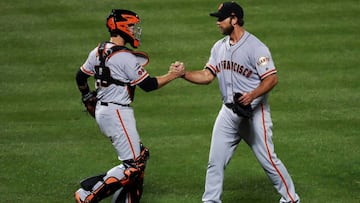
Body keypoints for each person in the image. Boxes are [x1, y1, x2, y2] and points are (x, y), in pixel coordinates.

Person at [172, 2, 300, 203]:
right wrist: (183, 74)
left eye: (221, 18)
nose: (217, 23)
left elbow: (272, 78)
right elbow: (207, 75)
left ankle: (291, 199)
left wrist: (252, 95)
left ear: (234, 19)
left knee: (268, 160)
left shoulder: (256, 47)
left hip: (254, 113)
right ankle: (210, 201)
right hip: (228, 113)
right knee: (215, 162)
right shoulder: (218, 47)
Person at [74, 9, 184, 203]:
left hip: (104, 110)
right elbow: (148, 85)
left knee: (140, 156)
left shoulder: (98, 50)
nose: (135, 30)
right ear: (122, 27)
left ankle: (124, 198)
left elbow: (80, 77)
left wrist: (86, 96)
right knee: (133, 165)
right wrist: (173, 75)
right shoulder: (124, 57)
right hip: (117, 112)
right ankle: (88, 196)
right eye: (132, 26)